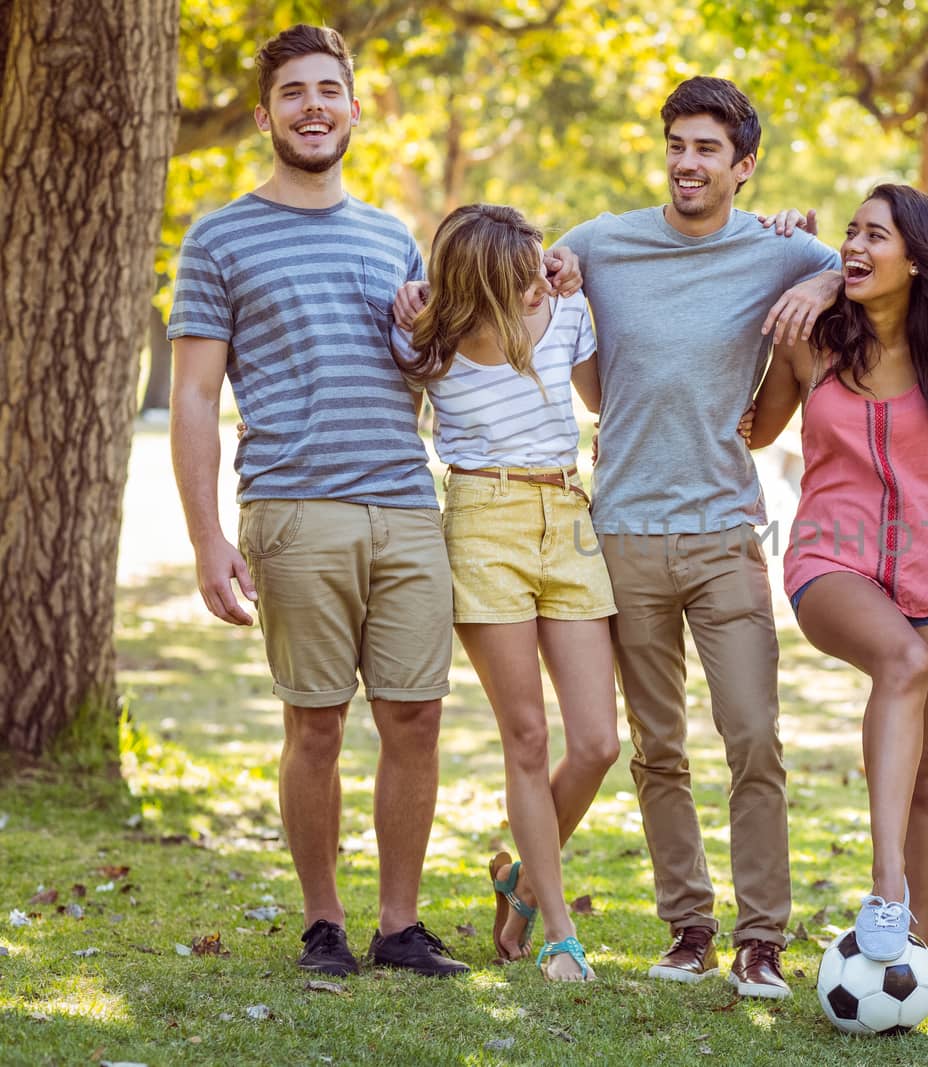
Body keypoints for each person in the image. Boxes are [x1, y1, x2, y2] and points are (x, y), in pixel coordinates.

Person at [168, 25, 542, 979]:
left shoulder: (390, 236)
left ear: (354, 108)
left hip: (408, 507)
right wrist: (209, 538)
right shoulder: (218, 237)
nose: (313, 106)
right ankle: (324, 922)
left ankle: (400, 924)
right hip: (294, 508)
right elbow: (195, 398)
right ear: (265, 116)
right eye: (293, 92)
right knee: (318, 721)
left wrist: (523, 288)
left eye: (328, 89)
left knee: (415, 715)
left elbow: (438, 359)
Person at [553, 76, 841, 1000]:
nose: (687, 163)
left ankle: (763, 939)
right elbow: (545, 289)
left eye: (708, 149)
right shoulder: (605, 242)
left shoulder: (776, 250)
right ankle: (688, 928)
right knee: (657, 747)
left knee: (754, 735)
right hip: (623, 530)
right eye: (678, 144)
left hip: (724, 531)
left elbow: (876, 261)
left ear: (743, 166)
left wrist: (824, 269)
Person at [743, 184, 928, 1011]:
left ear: (914, 257)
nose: (854, 245)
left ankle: (922, 958)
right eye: (850, 232)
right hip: (827, 557)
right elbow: (757, 428)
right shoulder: (815, 342)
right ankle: (887, 893)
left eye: (873, 235)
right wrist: (793, 273)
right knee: (901, 658)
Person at [389, 203, 618, 981]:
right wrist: (414, 303)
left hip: (570, 515)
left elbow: (597, 401)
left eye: (540, 267)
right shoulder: (427, 343)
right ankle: (559, 932)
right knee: (527, 738)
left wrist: (571, 284)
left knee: (597, 742)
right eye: (521, 275)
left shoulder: (566, 312)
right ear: (483, 282)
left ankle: (520, 879)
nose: (537, 286)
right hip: (483, 521)